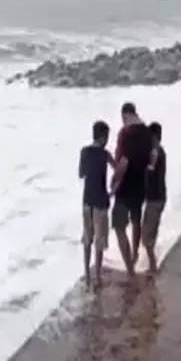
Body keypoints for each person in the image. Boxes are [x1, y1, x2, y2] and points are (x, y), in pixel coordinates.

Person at [110, 102, 153, 276]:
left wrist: (114, 183)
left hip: (124, 187)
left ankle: (130, 268)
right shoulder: (147, 133)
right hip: (140, 184)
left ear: (125, 115)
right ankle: (135, 254)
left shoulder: (125, 133)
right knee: (136, 220)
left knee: (119, 226)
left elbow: (122, 162)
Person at [79, 120, 114, 287]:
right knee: (99, 241)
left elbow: (81, 174)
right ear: (103, 137)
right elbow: (117, 169)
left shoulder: (84, 152)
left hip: (87, 200)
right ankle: (97, 275)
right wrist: (113, 190)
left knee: (87, 238)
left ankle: (86, 274)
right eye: (107, 136)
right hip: (100, 201)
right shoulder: (105, 154)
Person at [143, 122, 167, 275]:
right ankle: (152, 263)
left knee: (146, 236)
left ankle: (153, 266)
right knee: (149, 232)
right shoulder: (160, 151)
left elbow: (149, 170)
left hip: (155, 199)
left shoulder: (154, 152)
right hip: (158, 197)